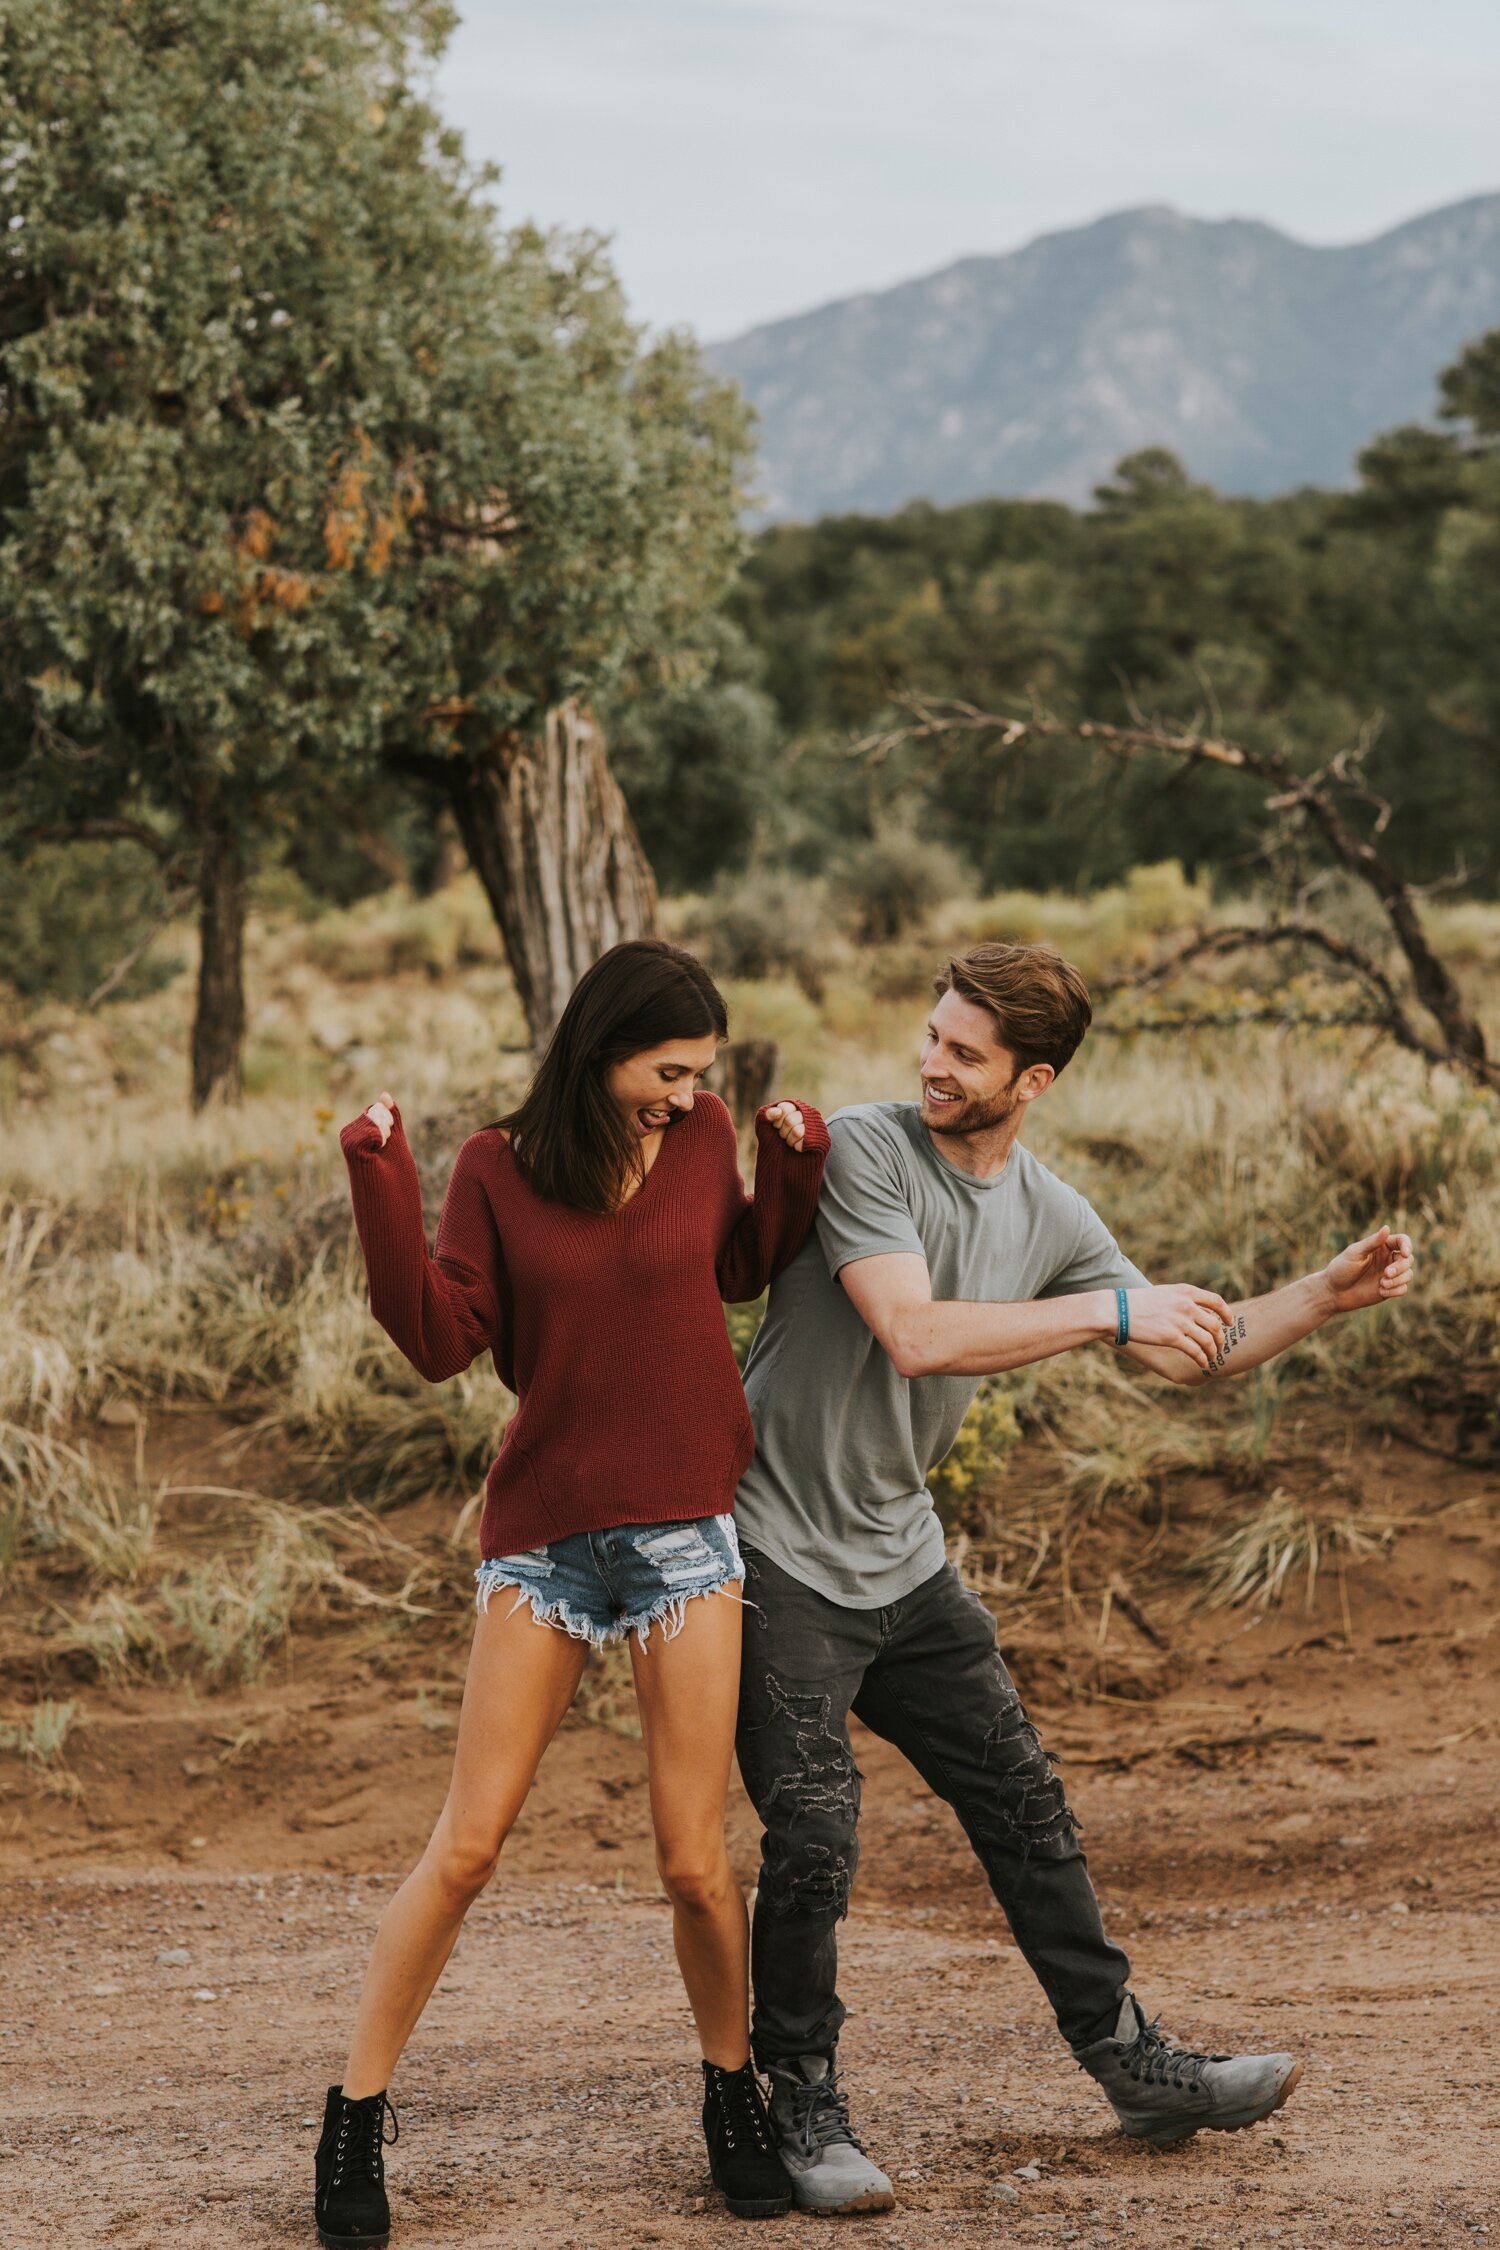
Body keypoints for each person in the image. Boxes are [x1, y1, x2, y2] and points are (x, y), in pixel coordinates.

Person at [732, 940, 1416, 2215]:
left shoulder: (1049, 1210)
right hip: (777, 1552)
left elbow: (1183, 1352)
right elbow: (918, 1335)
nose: (932, 1063)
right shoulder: (864, 1152)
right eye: (933, 1036)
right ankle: (801, 2103)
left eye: (965, 1054)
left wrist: (1319, 1297)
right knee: (817, 1835)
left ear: (1031, 1078)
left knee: (1028, 1807)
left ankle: (1131, 2067)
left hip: (903, 1555)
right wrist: (1109, 1313)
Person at [313, 939, 829, 2248]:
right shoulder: (496, 1166)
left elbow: (743, 1264)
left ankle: (732, 2097)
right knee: (470, 1844)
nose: (683, 1092)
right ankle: (355, 2115)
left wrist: (799, 1163)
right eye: (666, 1069)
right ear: (603, 1051)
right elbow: (435, 1338)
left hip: (684, 1540)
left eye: (697, 1074)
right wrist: (378, 1170)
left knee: (695, 1863)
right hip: (545, 1542)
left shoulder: (709, 1136)